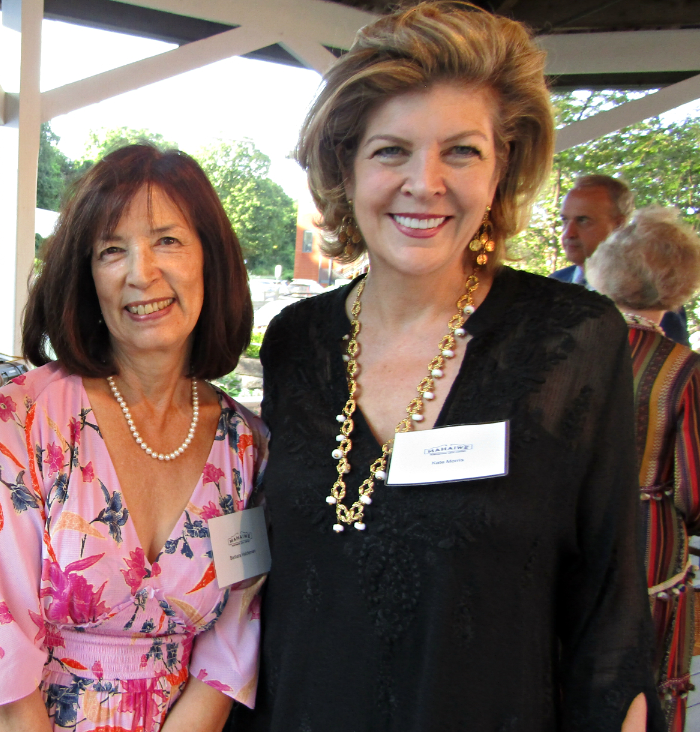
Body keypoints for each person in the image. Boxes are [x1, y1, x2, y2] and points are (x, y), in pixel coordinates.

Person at [240, 3, 661, 730]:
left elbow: (609, 607)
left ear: (502, 169)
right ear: (346, 166)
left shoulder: (571, 339)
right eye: (391, 151)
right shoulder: (294, 342)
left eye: (461, 152)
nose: (425, 183)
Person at [0, 145, 267, 732]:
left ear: (212, 259)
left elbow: (234, 632)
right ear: (88, 279)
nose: (141, 272)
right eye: (112, 250)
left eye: (168, 241)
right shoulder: (25, 417)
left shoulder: (245, 446)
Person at [588, 207, 700, 732]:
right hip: (649, 553)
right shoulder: (682, 367)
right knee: (647, 687)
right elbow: (694, 490)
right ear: (679, 285)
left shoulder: (567, 354)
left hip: (571, 539)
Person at [553, 175, 689, 345]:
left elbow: (670, 365)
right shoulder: (553, 284)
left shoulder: (650, 290)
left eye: (583, 220)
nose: (568, 233)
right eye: (565, 220)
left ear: (619, 225)